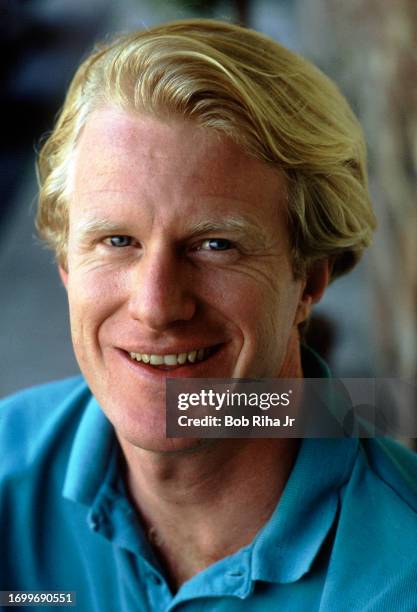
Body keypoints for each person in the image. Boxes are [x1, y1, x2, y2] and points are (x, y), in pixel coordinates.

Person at [1, 18, 416, 611]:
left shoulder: (400, 574)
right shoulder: (8, 470)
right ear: (66, 265)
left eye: (215, 245)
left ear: (311, 277)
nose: (156, 306)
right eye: (117, 240)